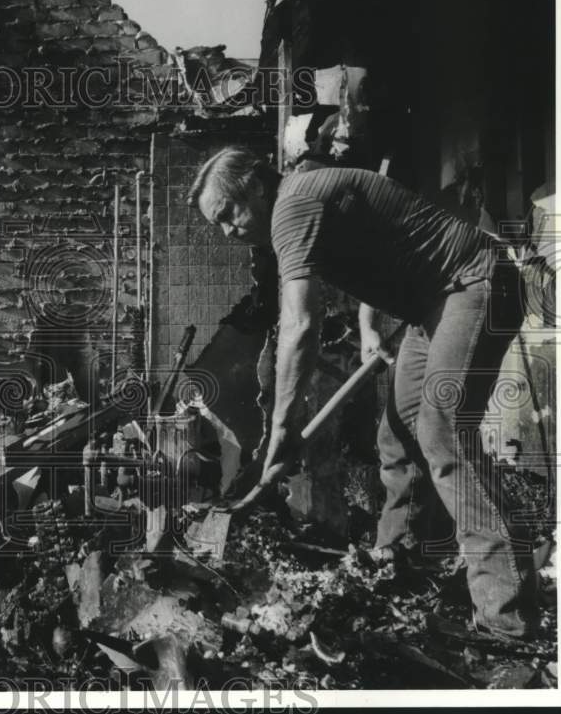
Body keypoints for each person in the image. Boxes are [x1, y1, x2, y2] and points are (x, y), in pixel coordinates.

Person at [188, 147, 537, 639]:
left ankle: (507, 616)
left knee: (443, 432)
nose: (227, 231)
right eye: (217, 224)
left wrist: (282, 431)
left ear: (258, 187)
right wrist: (369, 324)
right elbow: (375, 241)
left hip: (475, 282)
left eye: (228, 214)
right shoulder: (303, 197)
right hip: (431, 305)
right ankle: (398, 571)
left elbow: (300, 326)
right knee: (399, 435)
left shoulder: (291, 206)